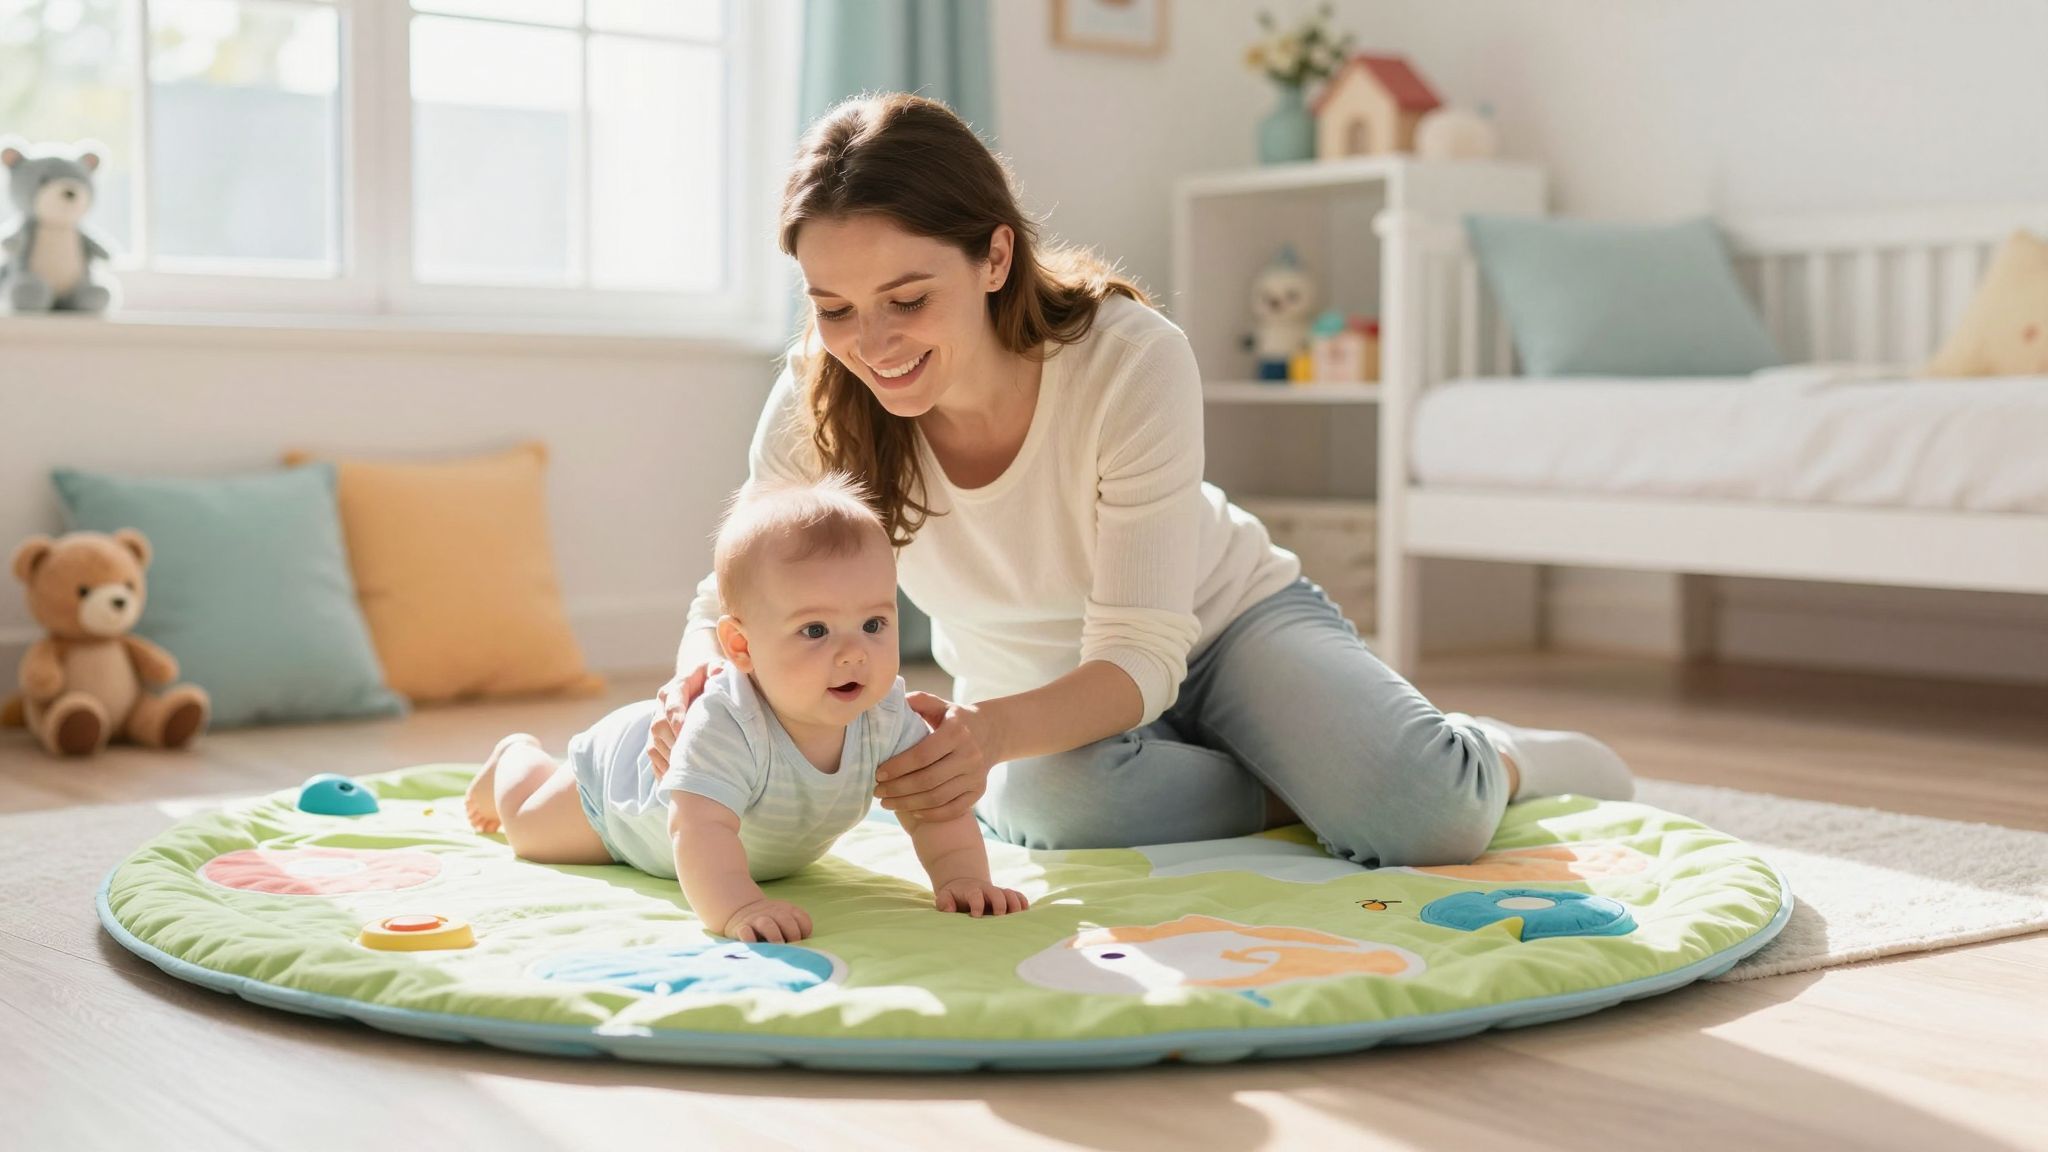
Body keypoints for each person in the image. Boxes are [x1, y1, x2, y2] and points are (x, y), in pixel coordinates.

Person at [646, 92, 1634, 867]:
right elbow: (731, 594)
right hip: (1037, 684)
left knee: (1425, 817)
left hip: (1222, 626)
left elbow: (1142, 651)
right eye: (833, 307)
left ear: (994, 256)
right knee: (1049, 807)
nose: (870, 343)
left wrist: (985, 736)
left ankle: (1484, 755)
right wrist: (694, 685)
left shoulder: (1127, 358)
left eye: (906, 298)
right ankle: (1316, 773)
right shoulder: (819, 398)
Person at [466, 474, 1028, 943]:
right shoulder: (729, 723)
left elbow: (934, 806)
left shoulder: (884, 713)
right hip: (614, 802)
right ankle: (516, 760)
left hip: (761, 847)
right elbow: (699, 828)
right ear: (739, 647)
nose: (854, 651)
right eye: (815, 629)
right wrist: (736, 907)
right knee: (531, 832)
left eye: (874, 624)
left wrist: (961, 877)